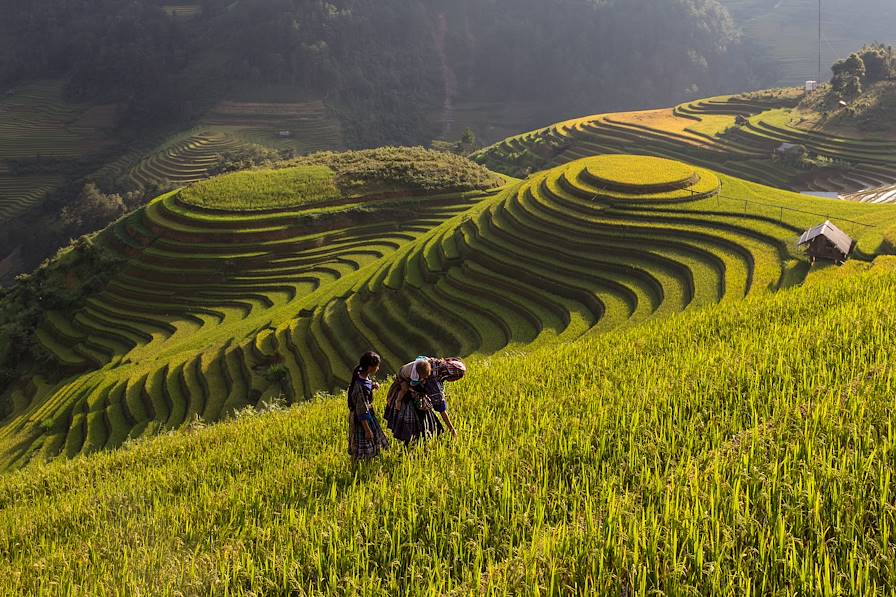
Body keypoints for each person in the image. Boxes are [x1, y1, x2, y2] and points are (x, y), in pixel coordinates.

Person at [384, 356, 466, 444]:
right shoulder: (433, 382)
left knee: (421, 429)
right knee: (415, 431)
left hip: (406, 384)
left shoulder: (435, 363)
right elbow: (441, 408)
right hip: (409, 395)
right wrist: (452, 429)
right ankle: (412, 447)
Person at [347, 351, 389, 462]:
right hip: (362, 419)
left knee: (371, 442)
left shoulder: (360, 374)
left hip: (366, 415)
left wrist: (372, 385)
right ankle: (359, 468)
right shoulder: (360, 388)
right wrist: (367, 430)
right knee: (365, 445)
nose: (378, 368)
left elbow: (365, 383)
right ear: (370, 368)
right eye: (377, 366)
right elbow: (361, 410)